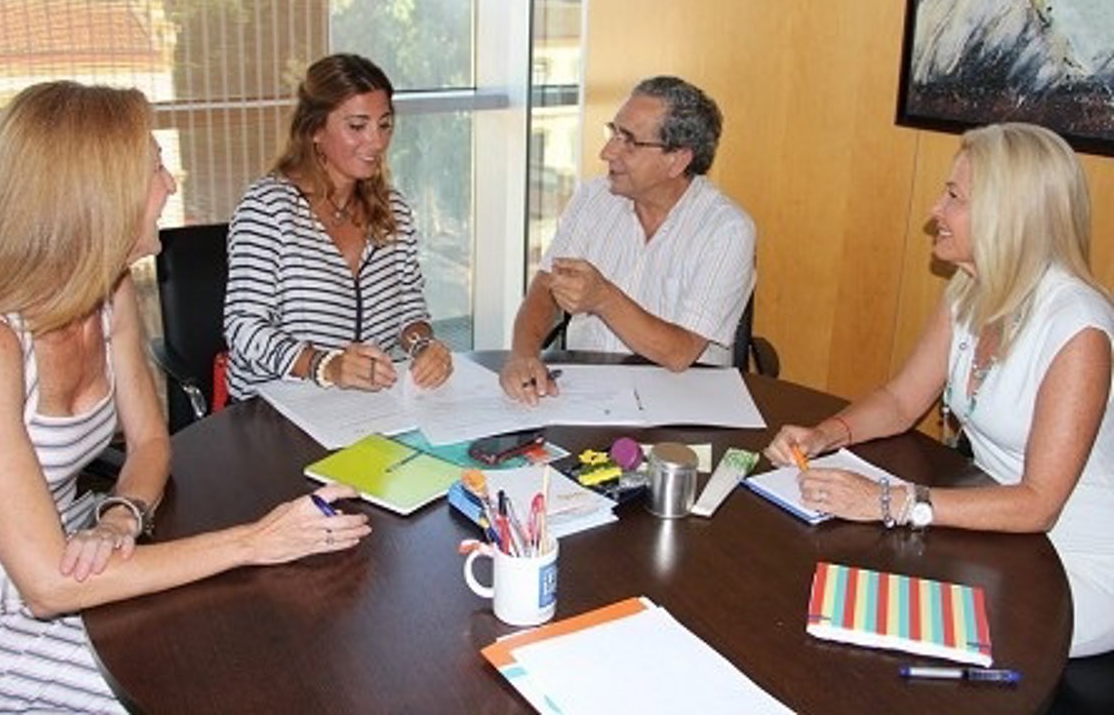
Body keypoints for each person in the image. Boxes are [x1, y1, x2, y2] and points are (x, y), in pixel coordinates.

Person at [0, 81, 371, 712]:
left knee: (235, 641)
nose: (171, 185)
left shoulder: (109, 293)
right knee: (191, 690)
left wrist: (122, 514)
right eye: (155, 167)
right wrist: (255, 541)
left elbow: (152, 440)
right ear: (98, 193)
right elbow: (45, 587)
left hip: (73, 551)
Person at [764, 122, 1114, 658]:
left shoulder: (1077, 327)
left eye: (954, 197)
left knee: (876, 625)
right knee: (833, 595)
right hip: (992, 531)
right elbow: (901, 400)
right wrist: (824, 436)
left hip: (1074, 567)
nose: (934, 211)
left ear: (1007, 214)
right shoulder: (972, 287)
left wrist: (888, 501)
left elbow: (1039, 504)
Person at [500, 75, 755, 404]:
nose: (607, 152)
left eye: (630, 141)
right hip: (585, 392)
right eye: (613, 133)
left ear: (677, 160)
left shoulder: (727, 230)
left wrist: (604, 298)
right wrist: (523, 355)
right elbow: (546, 288)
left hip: (683, 403)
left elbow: (680, 353)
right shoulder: (594, 198)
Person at [224, 53, 452, 400]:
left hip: (365, 407)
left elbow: (410, 308)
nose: (377, 142)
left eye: (385, 125)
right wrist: (325, 366)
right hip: (274, 407)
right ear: (315, 129)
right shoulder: (267, 209)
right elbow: (244, 328)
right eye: (357, 126)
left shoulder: (394, 211)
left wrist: (423, 345)